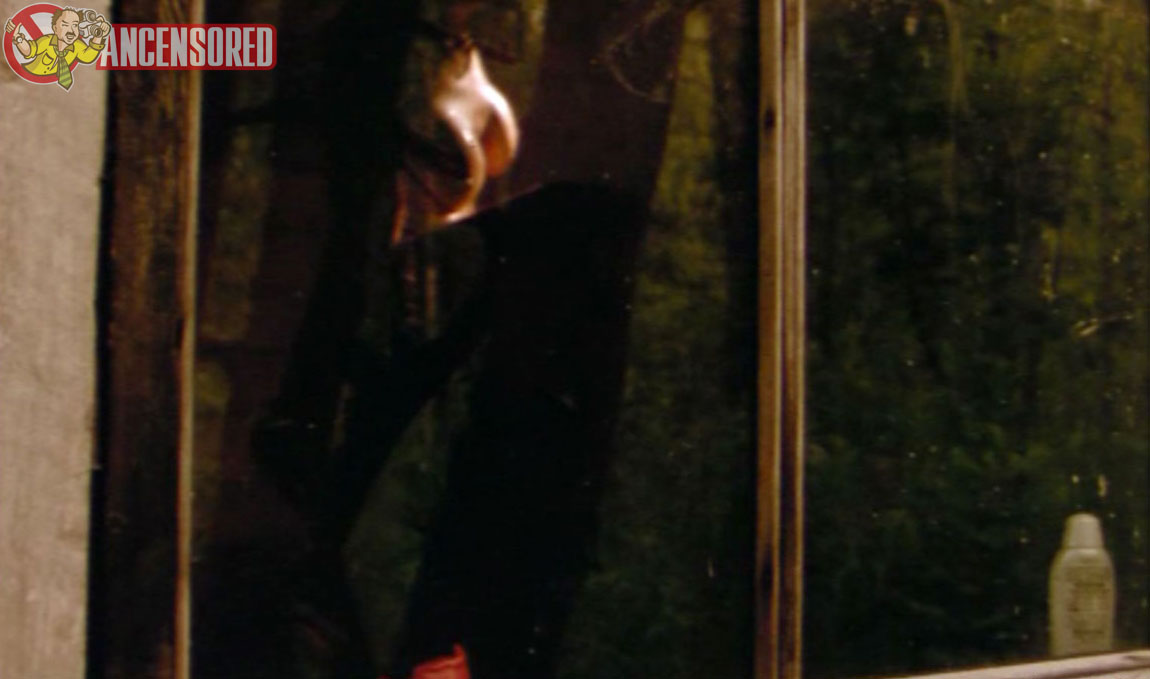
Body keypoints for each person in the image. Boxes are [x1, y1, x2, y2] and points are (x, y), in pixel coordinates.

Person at [5, 6, 109, 90]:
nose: (71, 31)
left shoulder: (77, 45)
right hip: (28, 79)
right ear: (55, 28)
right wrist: (18, 38)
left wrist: (99, 36)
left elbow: (88, 56)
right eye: (65, 25)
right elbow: (29, 51)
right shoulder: (47, 41)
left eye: (75, 26)